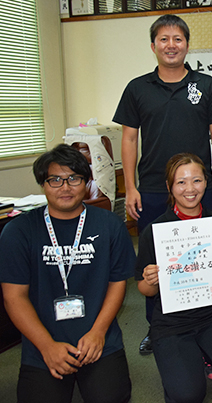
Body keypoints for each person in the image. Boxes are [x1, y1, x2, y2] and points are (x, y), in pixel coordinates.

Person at [113, 14, 212, 355]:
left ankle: (210, 323)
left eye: (177, 39)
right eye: (163, 39)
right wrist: (131, 187)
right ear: (153, 46)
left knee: (204, 258)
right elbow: (129, 138)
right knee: (155, 263)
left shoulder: (206, 86)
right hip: (152, 189)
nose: (171, 45)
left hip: (200, 189)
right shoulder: (137, 88)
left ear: (187, 44)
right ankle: (158, 327)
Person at [0, 144, 135, 403]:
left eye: (74, 178)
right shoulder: (18, 232)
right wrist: (46, 346)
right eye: (55, 180)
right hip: (43, 340)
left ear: (86, 183)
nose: (65, 187)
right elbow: (13, 297)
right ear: (43, 184)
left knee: (112, 397)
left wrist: (98, 332)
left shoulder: (110, 225)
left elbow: (117, 282)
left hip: (98, 338)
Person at [136, 153, 212, 403]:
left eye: (197, 181)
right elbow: (144, 290)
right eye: (181, 182)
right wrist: (150, 280)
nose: (190, 189)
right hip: (171, 322)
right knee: (188, 395)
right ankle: (186, 360)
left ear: (206, 183)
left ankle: (206, 353)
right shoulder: (155, 231)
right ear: (169, 187)